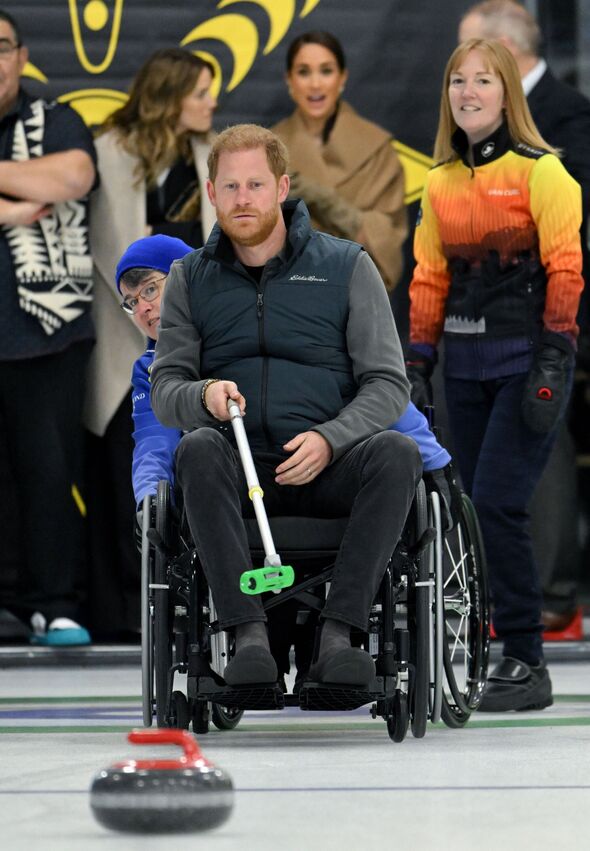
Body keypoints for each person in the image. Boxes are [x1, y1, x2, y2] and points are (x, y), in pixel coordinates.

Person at [150, 124, 422, 689]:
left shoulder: (347, 266)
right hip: (237, 465)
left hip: (327, 467)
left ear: (282, 187)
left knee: (396, 453)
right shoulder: (188, 277)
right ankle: (248, 634)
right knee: (197, 448)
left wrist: (332, 438)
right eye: (230, 187)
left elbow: (387, 384)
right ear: (211, 194)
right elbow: (166, 388)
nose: (242, 199)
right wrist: (202, 396)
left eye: (254, 184)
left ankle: (338, 635)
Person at [406, 38, 583, 711]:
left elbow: (568, 270)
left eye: (483, 81)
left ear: (509, 93)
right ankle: (494, 650)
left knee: (499, 505)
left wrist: (552, 359)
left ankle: (526, 660)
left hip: (529, 365)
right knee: (474, 515)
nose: (469, 92)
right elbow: (428, 279)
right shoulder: (440, 181)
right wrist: (418, 364)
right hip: (462, 367)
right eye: (458, 81)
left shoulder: (545, 175)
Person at [458, 0, 590, 636]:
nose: (461, 79)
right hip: (483, 323)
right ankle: (512, 597)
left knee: (545, 443)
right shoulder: (477, 138)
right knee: (496, 459)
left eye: (473, 65)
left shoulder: (567, 114)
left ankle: (553, 596)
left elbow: (571, 217)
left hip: (545, 319)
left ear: (503, 58)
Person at [83, 48, 217, 638]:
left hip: (200, 347)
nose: (211, 102)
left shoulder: (211, 157)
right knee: (123, 481)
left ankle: (190, 613)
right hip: (121, 342)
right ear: (170, 93)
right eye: (201, 91)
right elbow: (99, 249)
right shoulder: (109, 150)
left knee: (195, 474)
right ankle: (120, 621)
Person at [0, 10, 97, 645]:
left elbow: (73, 177)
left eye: (0, 47)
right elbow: (44, 187)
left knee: (47, 468)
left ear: (22, 56)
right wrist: (17, 205)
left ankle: (52, 602)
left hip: (44, 329)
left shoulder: (54, 119)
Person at [272, 31, 407, 292]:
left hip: (357, 297)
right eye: (303, 72)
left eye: (326, 71)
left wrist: (323, 201)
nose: (315, 84)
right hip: (287, 299)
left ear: (342, 78)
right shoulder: (267, 150)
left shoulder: (378, 150)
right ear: (289, 80)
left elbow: (386, 240)